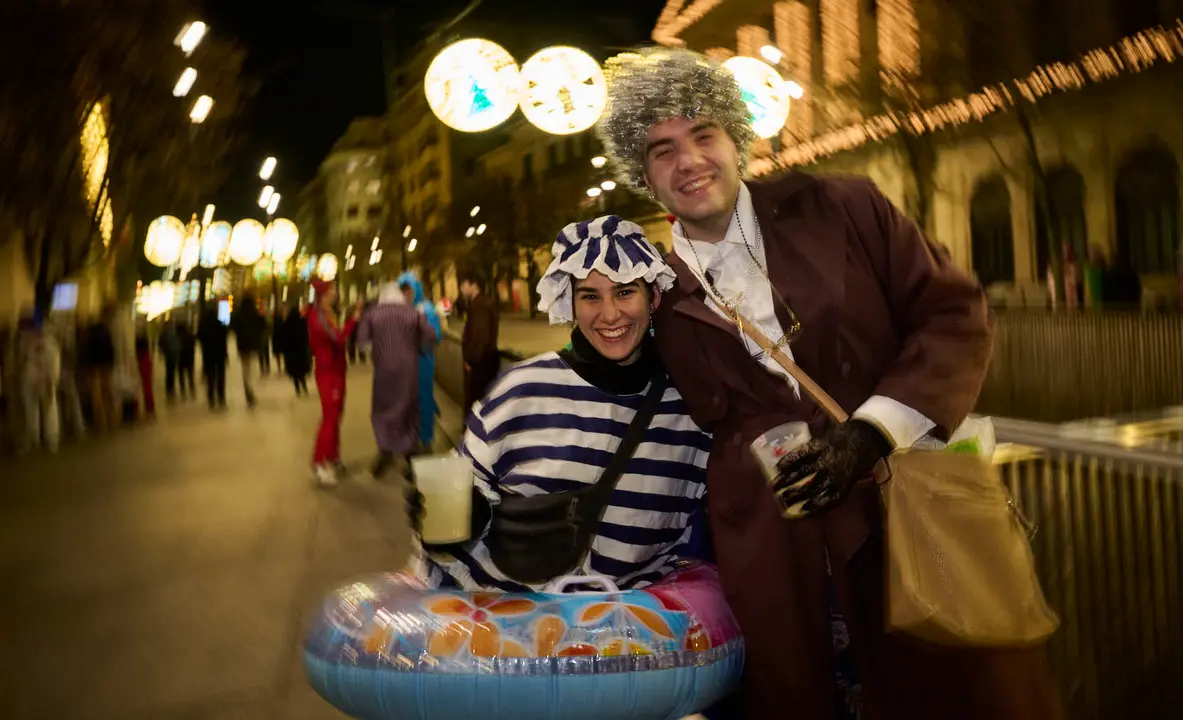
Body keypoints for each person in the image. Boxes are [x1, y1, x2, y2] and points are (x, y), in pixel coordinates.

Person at [596, 48, 1060, 719]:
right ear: (644, 175)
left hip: (902, 518)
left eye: (703, 135)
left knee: (949, 695)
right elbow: (623, 406)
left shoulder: (844, 206)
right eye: (662, 150)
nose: (688, 161)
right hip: (774, 557)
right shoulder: (657, 292)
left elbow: (953, 316)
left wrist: (872, 432)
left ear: (736, 139)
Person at [409, 216, 711, 595]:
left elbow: (695, 538)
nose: (610, 314)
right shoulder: (521, 390)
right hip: (512, 623)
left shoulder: (690, 410)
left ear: (654, 298)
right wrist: (453, 519)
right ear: (571, 303)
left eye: (624, 292)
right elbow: (452, 517)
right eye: (590, 296)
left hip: (628, 628)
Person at [358, 279, 438, 477]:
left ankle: (385, 451)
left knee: (383, 409)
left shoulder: (373, 313)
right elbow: (430, 335)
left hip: (384, 372)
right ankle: (410, 454)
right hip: (409, 370)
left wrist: (377, 351)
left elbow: (362, 342)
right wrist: (419, 347)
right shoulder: (412, 312)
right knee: (408, 409)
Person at [308, 279, 361, 486]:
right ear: (322, 296)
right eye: (331, 291)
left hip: (337, 371)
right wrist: (353, 321)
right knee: (330, 417)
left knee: (336, 415)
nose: (335, 294)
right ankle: (319, 462)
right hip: (328, 373)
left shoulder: (328, 314)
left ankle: (332, 457)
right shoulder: (318, 318)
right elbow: (338, 338)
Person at [399, 272, 444, 451]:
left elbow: (435, 336)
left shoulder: (426, 310)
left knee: (423, 400)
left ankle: (426, 438)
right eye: (402, 292)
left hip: (422, 363)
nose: (405, 295)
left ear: (415, 290)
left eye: (408, 291)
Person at [12, 313, 61, 454]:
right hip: (32, 379)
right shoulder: (27, 342)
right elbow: (23, 361)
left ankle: (49, 439)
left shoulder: (48, 343)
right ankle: (36, 439)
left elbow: (52, 361)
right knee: (33, 410)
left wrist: (51, 379)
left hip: (42, 379)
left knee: (47, 410)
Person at [459, 270, 499, 412]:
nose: (461, 288)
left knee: (476, 406)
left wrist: (471, 360)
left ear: (474, 285)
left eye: (464, 285)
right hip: (484, 364)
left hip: (480, 367)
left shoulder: (479, 305)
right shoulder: (482, 303)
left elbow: (480, 335)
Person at [230, 292, 267, 408]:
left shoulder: (238, 314)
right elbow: (263, 325)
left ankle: (247, 386)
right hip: (253, 345)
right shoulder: (254, 313)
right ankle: (251, 388)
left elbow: (233, 327)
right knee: (253, 368)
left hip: (242, 346)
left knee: (245, 367)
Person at [198, 306, 228, 410]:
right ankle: (221, 397)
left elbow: (199, 337)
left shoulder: (203, 326)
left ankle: (211, 398)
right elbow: (224, 340)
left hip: (208, 354)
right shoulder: (220, 324)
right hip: (220, 354)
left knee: (210, 376)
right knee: (220, 376)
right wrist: (226, 355)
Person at [282, 306, 311, 396]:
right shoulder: (301, 322)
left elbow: (284, 338)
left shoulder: (287, 323)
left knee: (294, 373)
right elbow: (306, 335)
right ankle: (304, 387)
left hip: (291, 352)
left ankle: (297, 389)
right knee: (301, 372)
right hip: (300, 351)